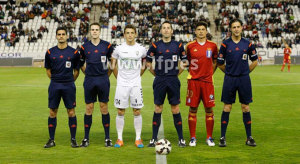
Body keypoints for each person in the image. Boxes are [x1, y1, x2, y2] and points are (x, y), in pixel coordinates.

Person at [146, 21, 187, 148]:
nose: (166, 30)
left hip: (173, 80)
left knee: (175, 108)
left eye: (168, 28)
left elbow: (184, 62)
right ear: (161, 31)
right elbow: (148, 63)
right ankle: (153, 139)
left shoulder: (178, 45)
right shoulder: (155, 45)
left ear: (172, 31)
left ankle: (181, 139)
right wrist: (157, 75)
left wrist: (175, 74)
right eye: (164, 28)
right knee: (158, 108)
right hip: (160, 80)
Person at [217, 19, 258, 147]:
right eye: (233, 27)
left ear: (242, 28)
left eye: (238, 27)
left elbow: (255, 61)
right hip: (230, 79)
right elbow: (219, 63)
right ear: (230, 29)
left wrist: (245, 72)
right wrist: (229, 72)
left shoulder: (248, 43)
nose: (236, 29)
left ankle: (249, 137)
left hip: (244, 79)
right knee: (227, 107)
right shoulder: (225, 44)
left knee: (245, 107)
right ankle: (222, 137)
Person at [110, 24, 147, 148]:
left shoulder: (141, 48)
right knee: (120, 111)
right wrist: (119, 77)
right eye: (128, 33)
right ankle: (119, 139)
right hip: (122, 84)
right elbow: (113, 63)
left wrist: (138, 75)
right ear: (124, 35)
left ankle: (138, 139)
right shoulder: (118, 48)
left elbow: (145, 62)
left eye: (132, 33)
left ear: (135, 34)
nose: (130, 35)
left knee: (137, 111)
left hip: (136, 84)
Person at [44, 27, 81, 148]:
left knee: (71, 111)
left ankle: (73, 139)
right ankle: (51, 140)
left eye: (63, 34)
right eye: (59, 34)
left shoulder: (74, 52)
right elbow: (48, 71)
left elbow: (77, 71)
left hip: (69, 85)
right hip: (55, 84)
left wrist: (69, 81)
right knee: (52, 112)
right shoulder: (50, 52)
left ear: (67, 36)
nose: (61, 36)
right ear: (56, 36)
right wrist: (56, 80)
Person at [79, 22, 114, 147]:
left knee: (104, 107)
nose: (94, 31)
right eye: (92, 30)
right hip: (89, 80)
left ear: (100, 31)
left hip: (103, 79)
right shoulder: (84, 47)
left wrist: (106, 75)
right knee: (89, 108)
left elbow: (113, 62)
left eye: (96, 29)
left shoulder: (107, 46)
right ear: (90, 31)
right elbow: (80, 63)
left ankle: (107, 138)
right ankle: (86, 138)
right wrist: (87, 73)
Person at [185, 21, 218, 147]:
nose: (200, 31)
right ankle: (192, 138)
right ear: (195, 31)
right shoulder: (189, 46)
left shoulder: (213, 46)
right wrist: (193, 72)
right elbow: (187, 61)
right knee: (193, 108)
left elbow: (215, 60)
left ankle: (209, 137)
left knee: (209, 109)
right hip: (193, 82)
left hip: (208, 82)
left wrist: (210, 73)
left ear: (206, 31)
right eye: (198, 29)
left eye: (203, 29)